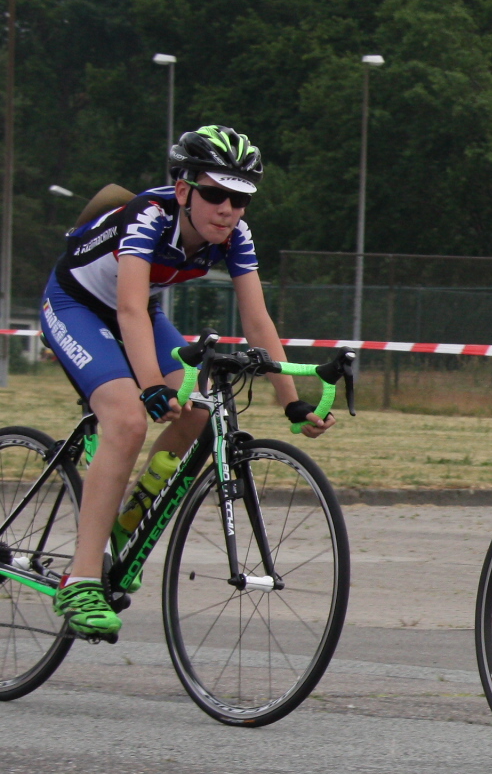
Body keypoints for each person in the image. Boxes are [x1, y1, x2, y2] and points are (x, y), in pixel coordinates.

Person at [38, 125, 331, 639]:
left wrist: (292, 403)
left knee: (198, 408)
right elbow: (128, 309)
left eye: (240, 199)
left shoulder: (236, 236)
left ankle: (131, 514)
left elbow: (258, 321)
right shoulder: (148, 216)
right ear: (183, 190)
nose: (227, 209)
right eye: (215, 195)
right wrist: (151, 385)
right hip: (76, 305)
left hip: (138, 311)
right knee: (128, 420)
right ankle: (79, 581)